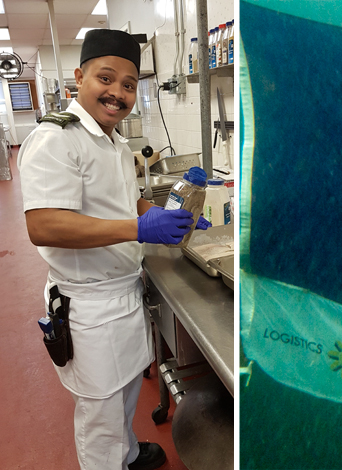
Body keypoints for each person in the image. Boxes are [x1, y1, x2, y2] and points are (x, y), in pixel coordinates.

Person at [17, 29, 208, 469]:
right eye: (106, 79)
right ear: (80, 77)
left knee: (124, 394)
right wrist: (140, 227)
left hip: (122, 295)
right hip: (87, 306)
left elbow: (127, 202)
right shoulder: (57, 139)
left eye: (128, 84)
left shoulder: (114, 141)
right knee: (99, 415)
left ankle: (128, 454)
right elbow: (43, 225)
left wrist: (176, 215)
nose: (117, 93)